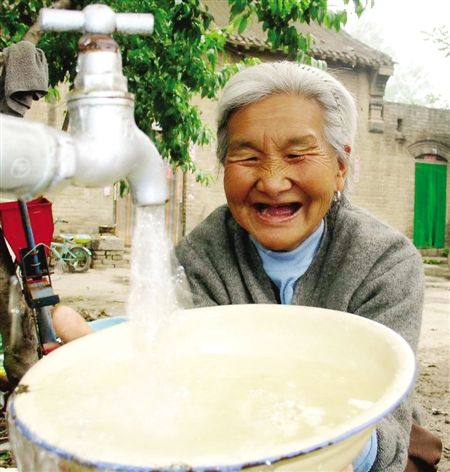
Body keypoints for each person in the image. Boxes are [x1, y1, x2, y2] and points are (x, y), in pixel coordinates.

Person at [52, 62, 442, 471]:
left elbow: (389, 427)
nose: (272, 182)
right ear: (225, 167)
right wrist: (119, 380)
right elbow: (186, 390)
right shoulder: (200, 257)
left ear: (340, 168)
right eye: (248, 156)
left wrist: (333, 448)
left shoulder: (385, 262)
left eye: (297, 154)